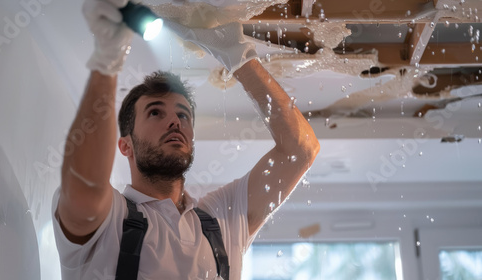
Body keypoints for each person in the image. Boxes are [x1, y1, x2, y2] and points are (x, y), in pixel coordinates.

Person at [51, 0, 320, 279]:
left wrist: (238, 56)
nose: (175, 122)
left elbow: (301, 149)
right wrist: (107, 62)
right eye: (155, 112)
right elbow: (85, 190)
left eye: (184, 115)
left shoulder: (221, 219)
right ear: (125, 145)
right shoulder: (111, 220)